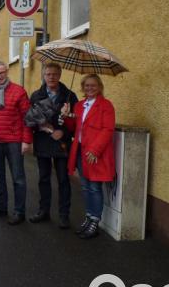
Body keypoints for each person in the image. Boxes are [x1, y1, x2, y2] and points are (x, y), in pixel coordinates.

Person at [0, 61, 33, 225]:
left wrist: (26, 140)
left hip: (14, 141)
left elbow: (27, 118)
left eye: (2, 72)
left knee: (18, 178)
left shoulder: (19, 91)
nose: (0, 76)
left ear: (7, 72)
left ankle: (19, 211)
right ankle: (1, 207)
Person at [63, 74, 116, 239]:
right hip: (80, 150)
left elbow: (107, 129)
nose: (90, 88)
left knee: (94, 187)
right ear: (83, 87)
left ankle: (95, 220)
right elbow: (74, 127)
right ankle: (89, 216)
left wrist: (95, 150)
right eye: (87, 85)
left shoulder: (106, 105)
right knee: (85, 187)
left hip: (94, 153)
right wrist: (66, 115)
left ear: (99, 87)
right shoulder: (79, 105)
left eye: (93, 85)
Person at [26, 63, 78, 229]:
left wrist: (63, 131)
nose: (51, 77)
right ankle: (44, 211)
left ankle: (64, 215)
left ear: (60, 75)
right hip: (43, 142)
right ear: (44, 75)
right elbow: (30, 120)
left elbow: (76, 122)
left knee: (63, 179)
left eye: (55, 74)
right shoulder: (36, 95)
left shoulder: (70, 96)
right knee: (43, 179)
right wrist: (47, 129)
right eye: (48, 74)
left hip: (62, 144)